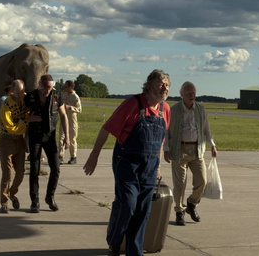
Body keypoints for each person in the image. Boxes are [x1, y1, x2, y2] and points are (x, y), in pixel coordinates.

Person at [83, 69, 171, 256]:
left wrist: (158, 166)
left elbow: (161, 140)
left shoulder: (165, 110)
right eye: (160, 83)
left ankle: (134, 252)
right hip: (127, 163)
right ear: (149, 85)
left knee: (142, 211)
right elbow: (106, 129)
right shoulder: (133, 104)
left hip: (150, 167)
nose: (164, 87)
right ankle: (114, 243)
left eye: (167, 85)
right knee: (127, 205)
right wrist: (94, 156)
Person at [163, 81, 217, 226]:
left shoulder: (200, 109)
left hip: (197, 150)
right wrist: (166, 149)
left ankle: (192, 204)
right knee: (180, 184)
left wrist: (212, 144)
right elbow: (166, 132)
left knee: (202, 181)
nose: (192, 96)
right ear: (182, 94)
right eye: (189, 93)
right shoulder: (173, 110)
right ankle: (179, 212)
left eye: (194, 93)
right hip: (179, 150)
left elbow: (206, 130)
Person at [25, 74, 69, 213]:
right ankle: (34, 201)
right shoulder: (30, 96)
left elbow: (63, 115)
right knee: (34, 168)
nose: (47, 90)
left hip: (50, 136)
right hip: (35, 135)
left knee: (56, 168)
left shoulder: (56, 96)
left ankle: (50, 197)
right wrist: (30, 119)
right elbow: (21, 115)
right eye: (45, 88)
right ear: (40, 85)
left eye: (50, 87)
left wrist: (67, 137)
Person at [0, 80, 28, 213]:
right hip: (7, 140)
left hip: (20, 140)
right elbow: (11, 128)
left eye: (22, 91)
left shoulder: (26, 99)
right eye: (18, 92)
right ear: (12, 92)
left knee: (21, 172)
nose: (21, 94)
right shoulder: (6, 105)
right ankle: (4, 202)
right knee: (7, 174)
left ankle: (12, 192)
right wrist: (25, 122)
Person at [58, 80, 82, 164]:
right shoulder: (62, 94)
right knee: (61, 137)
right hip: (63, 118)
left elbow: (79, 109)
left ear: (70, 87)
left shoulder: (75, 97)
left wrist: (70, 107)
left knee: (72, 138)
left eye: (66, 86)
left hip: (72, 120)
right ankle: (60, 156)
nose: (64, 88)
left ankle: (73, 157)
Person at [0, 84, 11, 168]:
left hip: (12, 124)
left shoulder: (12, 99)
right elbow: (0, 112)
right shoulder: (3, 99)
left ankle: (8, 161)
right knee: (3, 142)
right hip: (4, 124)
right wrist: (2, 123)